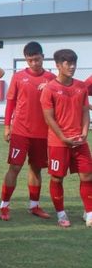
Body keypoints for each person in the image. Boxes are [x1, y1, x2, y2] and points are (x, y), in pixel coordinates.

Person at [0, 41, 55, 221]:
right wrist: (7, 126)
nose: (34, 63)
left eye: (37, 59)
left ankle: (34, 206)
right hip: (20, 131)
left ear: (43, 57)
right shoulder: (18, 77)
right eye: (30, 60)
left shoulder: (51, 79)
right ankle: (4, 206)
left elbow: (57, 105)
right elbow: (11, 103)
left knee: (36, 169)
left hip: (42, 133)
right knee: (14, 167)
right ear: (26, 60)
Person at [40, 49, 92, 228]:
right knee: (57, 178)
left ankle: (89, 212)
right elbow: (49, 118)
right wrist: (63, 137)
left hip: (80, 141)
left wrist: (85, 131)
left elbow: (85, 112)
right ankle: (61, 214)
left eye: (74, 63)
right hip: (58, 143)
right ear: (58, 65)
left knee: (87, 176)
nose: (72, 67)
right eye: (67, 63)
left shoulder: (81, 86)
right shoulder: (49, 89)